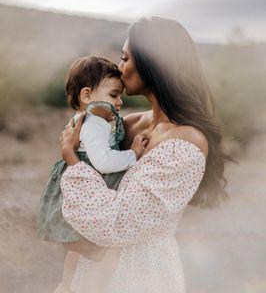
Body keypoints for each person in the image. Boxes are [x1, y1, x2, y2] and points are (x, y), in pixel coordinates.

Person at [58, 17, 232, 293]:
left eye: (125, 58)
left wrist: (73, 163)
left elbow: (118, 224)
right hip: (90, 272)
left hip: (140, 277)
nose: (119, 67)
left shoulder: (187, 142)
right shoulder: (127, 124)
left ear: (154, 64)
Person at [37, 56, 148, 288]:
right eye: (113, 95)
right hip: (87, 185)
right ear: (87, 95)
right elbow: (103, 161)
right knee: (99, 250)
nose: (119, 103)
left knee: (78, 250)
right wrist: (134, 153)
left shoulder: (94, 119)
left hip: (83, 183)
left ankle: (67, 286)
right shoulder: (94, 124)